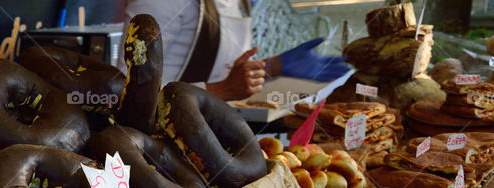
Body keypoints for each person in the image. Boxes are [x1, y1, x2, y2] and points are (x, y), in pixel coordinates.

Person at [119, 0, 348, 100]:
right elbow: (125, 92)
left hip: (212, 128)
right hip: (159, 143)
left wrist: (274, 66)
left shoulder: (240, 2)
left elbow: (226, 70)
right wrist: (224, 89)